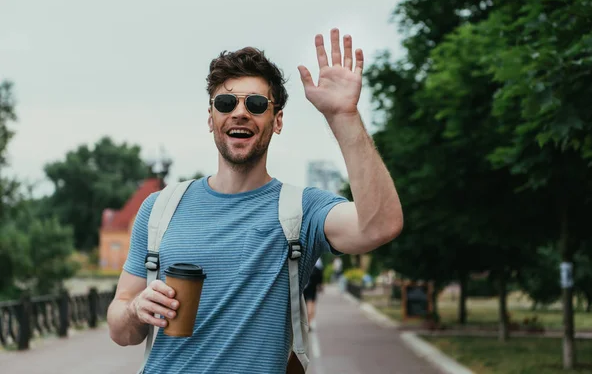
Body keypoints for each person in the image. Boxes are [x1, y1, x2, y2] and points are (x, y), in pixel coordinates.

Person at [107, 28, 404, 374]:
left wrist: (344, 117)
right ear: (211, 118)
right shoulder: (160, 209)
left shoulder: (301, 211)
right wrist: (134, 310)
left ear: (276, 120)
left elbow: (381, 225)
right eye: (226, 103)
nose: (240, 112)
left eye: (257, 104)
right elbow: (120, 327)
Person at [303, 257, 324, 330]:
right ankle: (308, 323)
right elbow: (320, 275)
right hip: (313, 286)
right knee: (311, 303)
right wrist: (320, 285)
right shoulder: (318, 261)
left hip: (304, 286)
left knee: (303, 304)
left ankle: (304, 323)